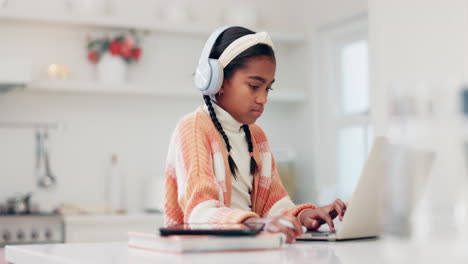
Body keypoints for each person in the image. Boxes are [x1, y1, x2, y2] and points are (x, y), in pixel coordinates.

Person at [164, 26, 346, 243]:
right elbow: (200, 212)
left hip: (247, 250)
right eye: (254, 86)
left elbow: (274, 203)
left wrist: (304, 216)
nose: (263, 99)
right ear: (217, 80)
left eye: (268, 88)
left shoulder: (257, 137)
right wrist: (257, 224)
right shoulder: (194, 128)